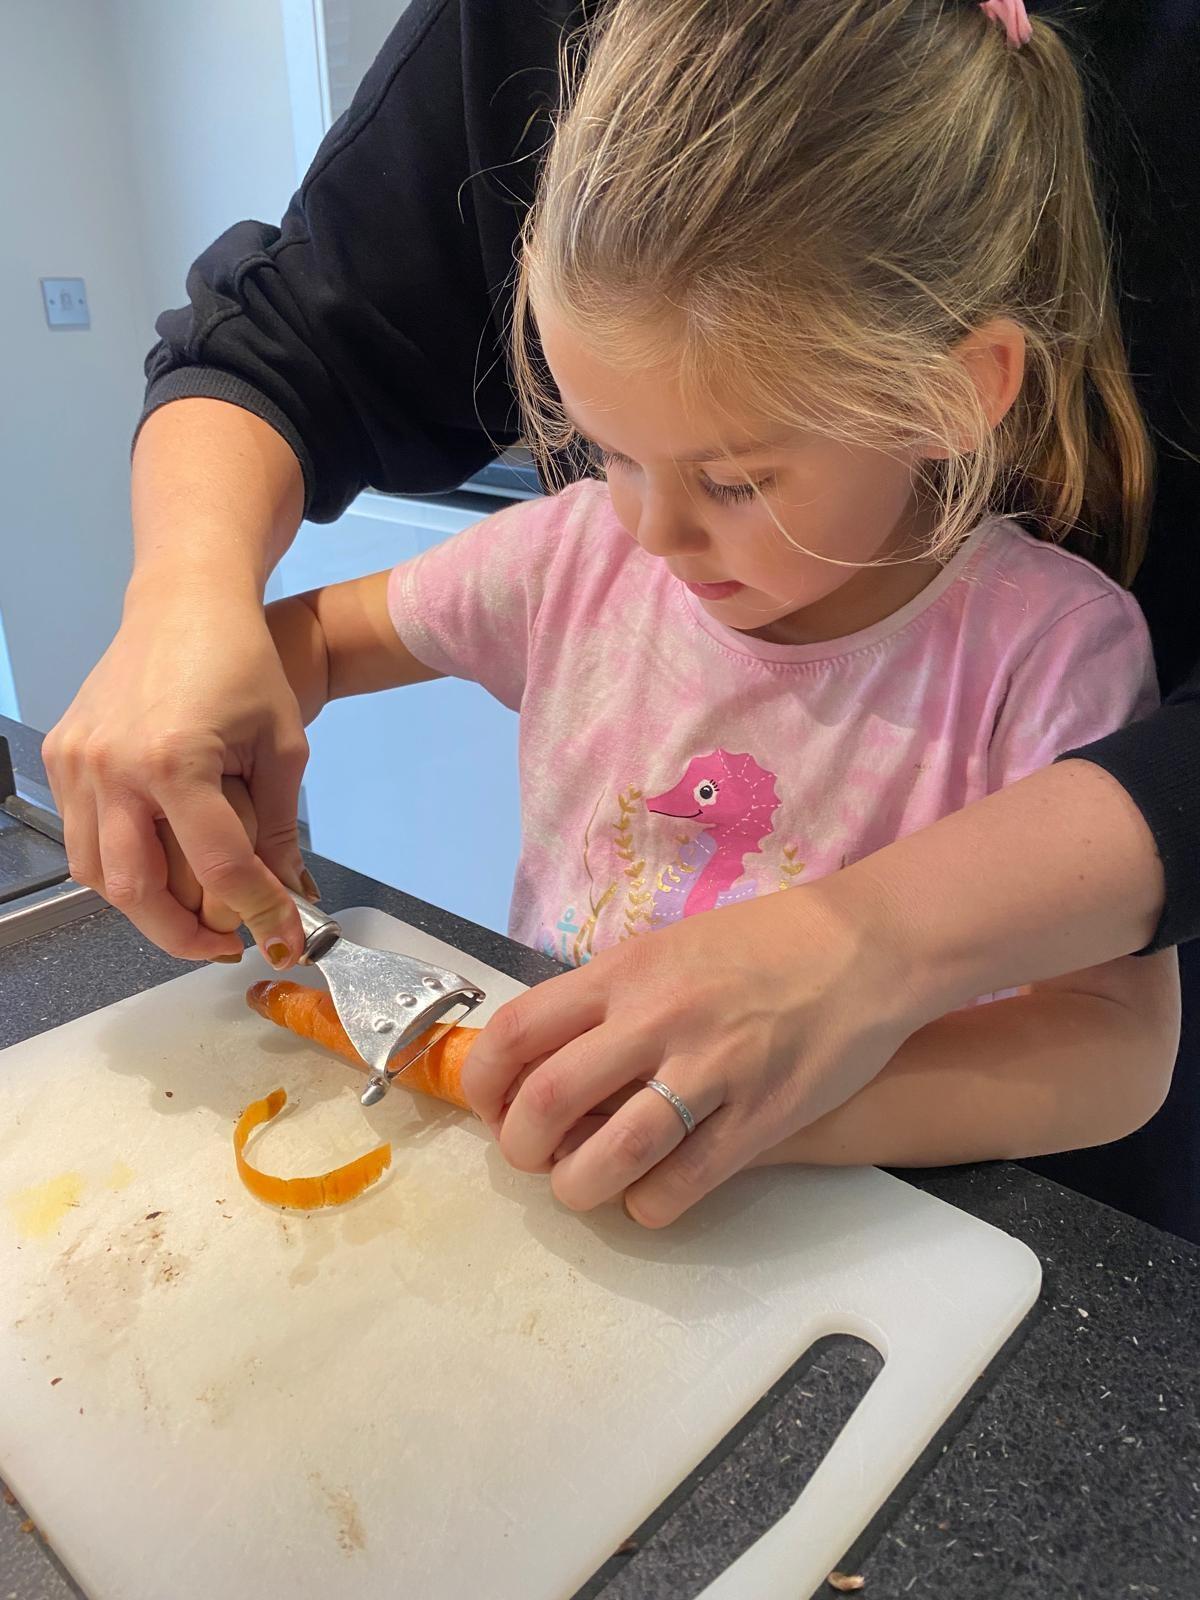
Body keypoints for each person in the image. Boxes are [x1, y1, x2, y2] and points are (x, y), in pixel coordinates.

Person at [44, 0, 1200, 1232]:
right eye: (608, 449)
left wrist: (753, 1109)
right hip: (581, 1211)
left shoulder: (1045, 650)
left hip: (883, 1237)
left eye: (735, 481)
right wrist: (190, 683)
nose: (649, 531)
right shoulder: (576, 555)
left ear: (950, 395)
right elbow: (313, 642)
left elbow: (1114, 1047)